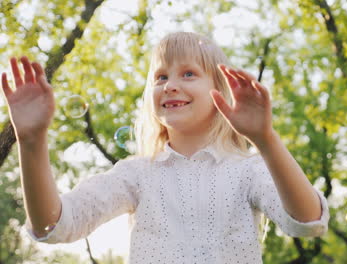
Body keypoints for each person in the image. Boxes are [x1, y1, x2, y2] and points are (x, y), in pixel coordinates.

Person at [1, 32, 329, 263]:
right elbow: (55, 226)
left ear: (221, 91)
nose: (170, 85)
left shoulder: (249, 169)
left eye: (188, 73)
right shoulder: (136, 174)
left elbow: (307, 221)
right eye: (160, 77)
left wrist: (266, 139)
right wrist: (31, 141)